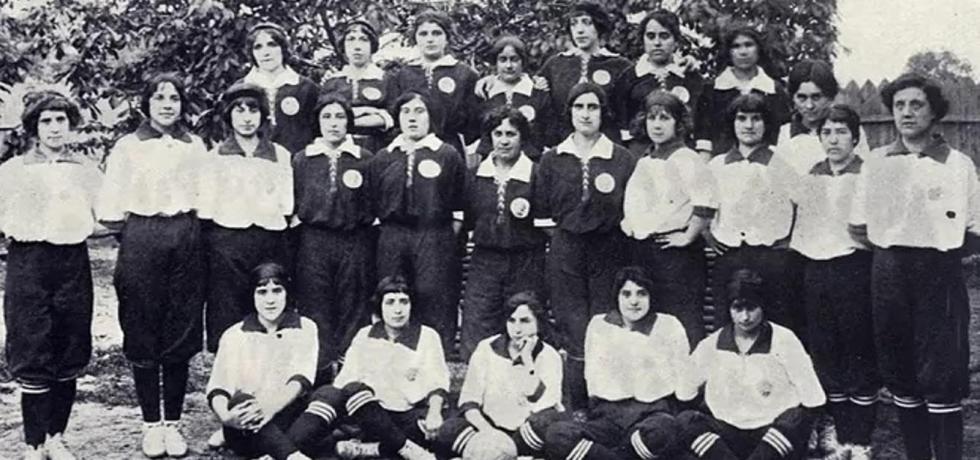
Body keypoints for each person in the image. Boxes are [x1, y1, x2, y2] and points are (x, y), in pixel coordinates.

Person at [848, 74, 978, 460]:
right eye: (899, 105)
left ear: (934, 112)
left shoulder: (958, 164)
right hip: (889, 273)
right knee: (900, 369)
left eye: (916, 104)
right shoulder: (876, 163)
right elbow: (859, 227)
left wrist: (936, 249)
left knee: (941, 371)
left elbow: (974, 228)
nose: (906, 112)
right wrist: (895, 248)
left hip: (939, 273)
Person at [96, 73, 208, 458]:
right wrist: (137, 236)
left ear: (182, 104)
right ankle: (150, 424)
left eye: (174, 98)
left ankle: (172, 424)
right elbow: (111, 208)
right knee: (142, 327)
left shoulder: (195, 145)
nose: (167, 105)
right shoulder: (128, 147)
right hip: (142, 234)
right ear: (146, 104)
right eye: (159, 98)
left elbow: (206, 197)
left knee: (180, 328)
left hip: (186, 234)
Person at [0, 92, 103, 460]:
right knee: (32, 346)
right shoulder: (13, 171)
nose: (55, 128)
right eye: (46, 121)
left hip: (72, 261)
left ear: (70, 125)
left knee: (69, 345)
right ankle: (34, 444)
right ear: (34, 127)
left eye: (61, 120)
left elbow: (108, 217)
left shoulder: (84, 171)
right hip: (28, 262)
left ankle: (56, 438)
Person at [533, 82, 637, 410]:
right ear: (569, 113)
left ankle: (607, 403)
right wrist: (568, 238)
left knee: (605, 323)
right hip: (566, 249)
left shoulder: (622, 158)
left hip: (609, 249)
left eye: (593, 107)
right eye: (579, 107)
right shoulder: (552, 159)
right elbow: (543, 213)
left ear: (603, 113)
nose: (586, 114)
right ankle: (577, 406)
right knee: (573, 324)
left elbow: (631, 209)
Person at [790, 105, 877, 460]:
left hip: (854, 268)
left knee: (858, 352)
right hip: (816, 270)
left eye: (841, 132)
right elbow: (803, 229)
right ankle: (839, 438)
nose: (834, 139)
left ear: (855, 138)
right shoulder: (812, 176)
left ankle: (860, 439)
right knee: (826, 352)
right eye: (826, 132)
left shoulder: (868, 174)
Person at [286, 275, 449, 459]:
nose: (398, 310)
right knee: (345, 392)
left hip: (405, 415)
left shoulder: (427, 336)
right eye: (390, 302)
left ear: (411, 305)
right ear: (380, 306)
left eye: (404, 302)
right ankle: (405, 449)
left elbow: (438, 381)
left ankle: (370, 449)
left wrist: (434, 413)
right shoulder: (365, 335)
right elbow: (345, 381)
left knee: (439, 428)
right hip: (366, 413)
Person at [677, 269, 826, 460]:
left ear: (763, 306)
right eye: (737, 309)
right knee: (686, 420)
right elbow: (684, 392)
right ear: (728, 309)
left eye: (752, 308)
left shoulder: (784, 339)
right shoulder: (712, 344)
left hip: (771, 435)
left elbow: (813, 398)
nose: (745, 317)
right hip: (726, 435)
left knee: (796, 418)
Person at [544, 267, 690, 459]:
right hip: (607, 418)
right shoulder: (599, 325)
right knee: (557, 435)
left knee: (664, 432)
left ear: (651, 296)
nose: (634, 301)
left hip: (652, 415)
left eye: (641, 293)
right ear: (617, 297)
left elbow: (682, 379)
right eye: (626, 294)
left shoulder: (668, 325)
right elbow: (592, 377)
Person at [198, 82, 293, 355]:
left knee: (268, 305)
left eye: (253, 110)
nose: (247, 118)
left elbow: (286, 204)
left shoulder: (280, 155)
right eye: (239, 111)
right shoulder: (215, 157)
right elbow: (206, 208)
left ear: (262, 115)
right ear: (229, 116)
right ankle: (229, 373)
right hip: (227, 243)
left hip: (269, 241)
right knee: (227, 308)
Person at [368, 91, 466, 353]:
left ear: (431, 116)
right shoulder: (383, 157)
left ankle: (434, 358)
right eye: (406, 112)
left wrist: (441, 239)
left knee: (432, 294)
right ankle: (392, 355)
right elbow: (374, 202)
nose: (412, 118)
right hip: (393, 235)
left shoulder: (447, 154)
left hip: (434, 234)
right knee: (393, 294)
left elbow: (459, 205)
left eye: (419, 111)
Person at [292, 94, 376, 383]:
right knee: (315, 306)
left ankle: (350, 379)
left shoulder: (364, 158)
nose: (333, 123)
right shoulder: (302, 159)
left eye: (340, 116)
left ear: (349, 122)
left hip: (354, 240)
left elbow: (372, 205)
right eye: (326, 116)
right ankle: (321, 378)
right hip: (313, 242)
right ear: (317, 121)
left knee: (354, 306)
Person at [620, 90, 715, 348]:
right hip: (645, 250)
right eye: (652, 118)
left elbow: (706, 202)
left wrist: (688, 236)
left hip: (675, 256)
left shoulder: (687, 158)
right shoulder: (646, 158)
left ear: (678, 123)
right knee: (653, 323)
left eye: (665, 118)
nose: (657, 125)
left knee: (683, 321)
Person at [458, 107, 547, 361]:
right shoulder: (475, 175)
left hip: (526, 260)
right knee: (479, 321)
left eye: (511, 134)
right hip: (485, 261)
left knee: (525, 321)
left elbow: (545, 221)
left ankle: (526, 377)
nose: (504, 141)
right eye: (498, 134)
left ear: (522, 137)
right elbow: (467, 219)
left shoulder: (536, 174)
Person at [704, 93, 797, 333]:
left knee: (774, 319)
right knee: (726, 319)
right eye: (741, 118)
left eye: (756, 119)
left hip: (769, 257)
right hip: (728, 255)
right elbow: (703, 205)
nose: (749, 125)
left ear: (766, 124)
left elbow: (800, 205)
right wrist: (708, 235)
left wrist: (787, 240)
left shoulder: (782, 165)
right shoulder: (717, 166)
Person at [206, 263, 317, 460]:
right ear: (252, 295)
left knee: (328, 395)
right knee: (241, 401)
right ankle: (293, 456)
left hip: (286, 413)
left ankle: (274, 453)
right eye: (262, 292)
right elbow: (219, 387)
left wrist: (270, 408)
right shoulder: (235, 334)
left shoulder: (305, 327)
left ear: (287, 293)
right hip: (248, 423)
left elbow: (300, 379)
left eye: (277, 291)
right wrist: (226, 418)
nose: (270, 300)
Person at [438, 292, 565, 459]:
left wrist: (527, 360)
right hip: (489, 428)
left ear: (539, 323)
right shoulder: (486, 348)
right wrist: (490, 434)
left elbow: (540, 402)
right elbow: (469, 401)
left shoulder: (549, 355)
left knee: (546, 425)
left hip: (525, 434)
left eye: (525, 321)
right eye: (512, 320)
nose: (517, 329)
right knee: (449, 430)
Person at [538, 1, 631, 145]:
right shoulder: (555, 65)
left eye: (587, 23)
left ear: (599, 26)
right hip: (563, 144)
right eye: (574, 24)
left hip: (608, 145)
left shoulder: (620, 66)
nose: (579, 30)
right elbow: (541, 107)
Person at [389, 9, 480, 156]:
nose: (430, 39)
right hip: (410, 147)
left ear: (447, 37)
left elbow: (473, 123)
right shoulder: (404, 74)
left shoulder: (465, 74)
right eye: (423, 34)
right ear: (415, 38)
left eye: (436, 33)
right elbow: (395, 116)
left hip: (450, 148)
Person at [612, 10, 703, 153]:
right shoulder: (629, 77)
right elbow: (620, 123)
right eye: (651, 36)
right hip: (640, 152)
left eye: (664, 36)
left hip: (682, 151)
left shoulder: (689, 77)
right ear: (643, 40)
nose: (657, 43)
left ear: (676, 40)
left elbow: (700, 123)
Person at [695, 26, 790, 160]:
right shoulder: (712, 90)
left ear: (758, 49)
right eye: (736, 46)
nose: (743, 52)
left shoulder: (773, 90)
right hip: (723, 162)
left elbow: (782, 133)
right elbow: (704, 137)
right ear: (729, 51)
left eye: (748, 45)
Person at [240, 22, 320, 154]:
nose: (266, 52)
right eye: (258, 47)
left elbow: (317, 132)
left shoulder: (306, 87)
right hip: (253, 162)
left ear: (283, 48)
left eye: (272, 44)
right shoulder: (241, 89)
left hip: (296, 161)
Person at [472, 35, 554, 160]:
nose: (509, 65)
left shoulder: (537, 92)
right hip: (492, 162)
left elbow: (549, 132)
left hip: (530, 162)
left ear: (523, 61)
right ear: (496, 62)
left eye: (514, 59)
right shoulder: (484, 92)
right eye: (503, 60)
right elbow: (474, 130)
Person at [320, 20, 395, 153]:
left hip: (377, 148)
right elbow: (324, 119)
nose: (357, 46)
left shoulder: (386, 79)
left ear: (372, 45)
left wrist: (344, 120)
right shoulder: (332, 82)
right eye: (351, 40)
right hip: (340, 150)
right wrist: (369, 110)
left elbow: (392, 117)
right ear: (343, 46)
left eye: (363, 40)